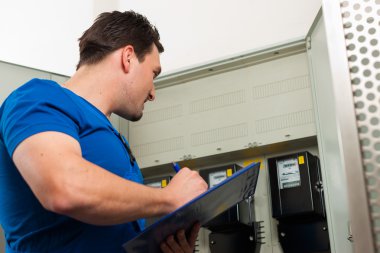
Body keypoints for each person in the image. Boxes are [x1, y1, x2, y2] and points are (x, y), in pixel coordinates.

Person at [0, 10, 208, 253]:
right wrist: (169, 198)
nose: (153, 92)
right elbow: (63, 188)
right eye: (153, 74)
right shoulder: (38, 98)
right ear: (128, 57)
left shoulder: (113, 137)